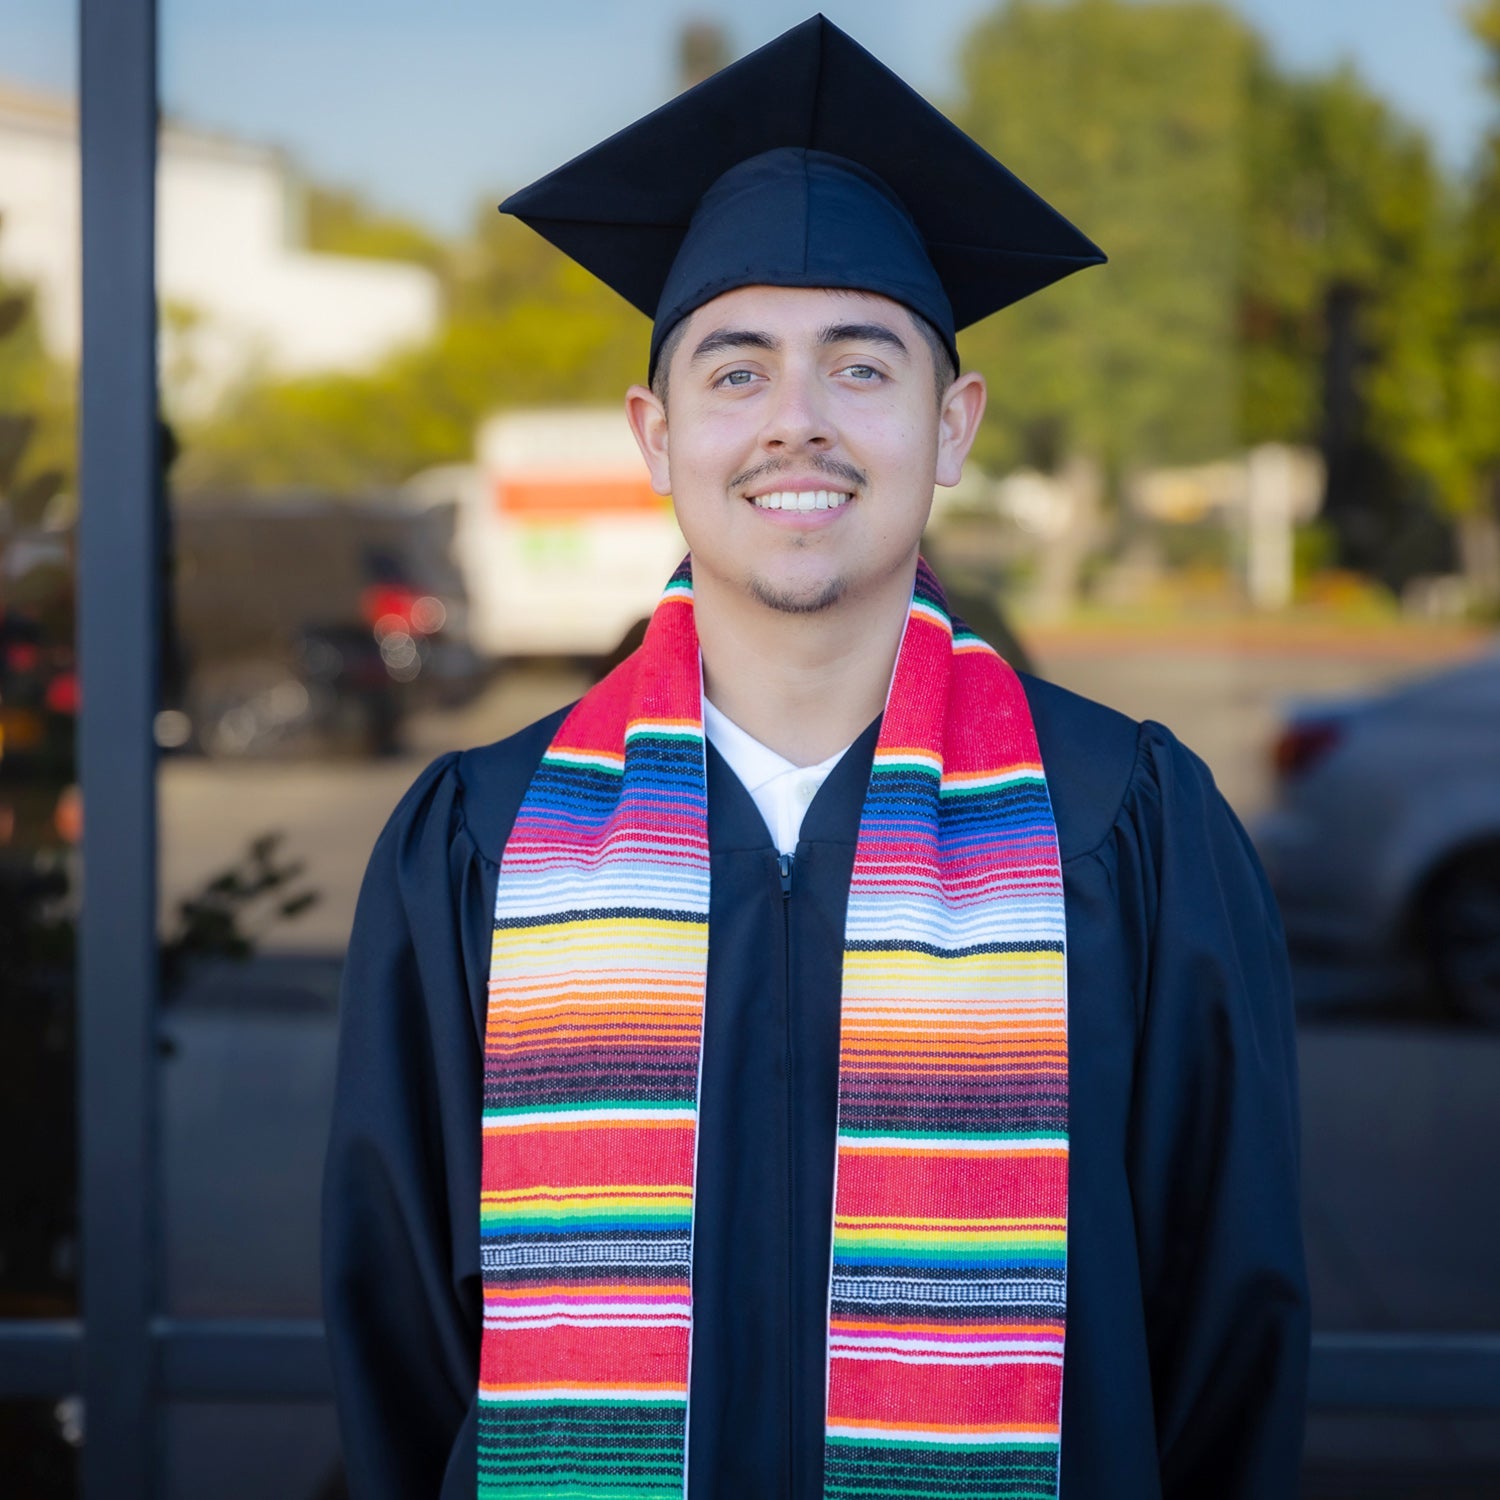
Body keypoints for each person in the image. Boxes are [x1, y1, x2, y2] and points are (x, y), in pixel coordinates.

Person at [322, 17, 1308, 1499]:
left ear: (951, 425)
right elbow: (397, 1344)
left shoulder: (1124, 828)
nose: (797, 423)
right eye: (737, 373)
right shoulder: (483, 842)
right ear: (655, 437)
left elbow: (1230, 1334)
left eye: (862, 367)